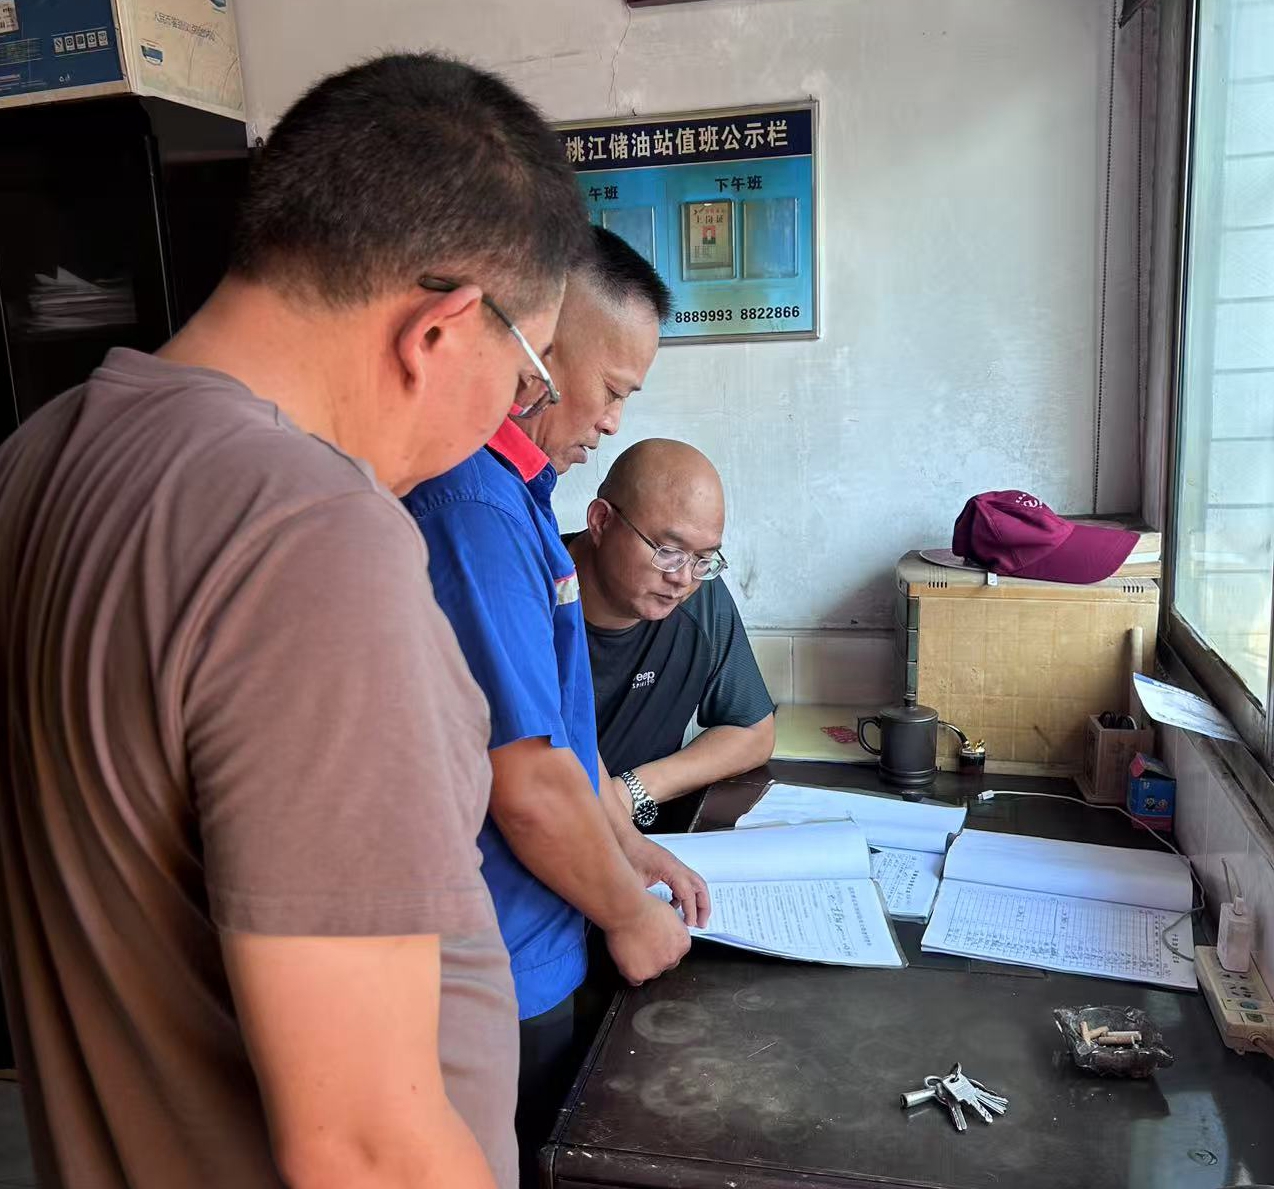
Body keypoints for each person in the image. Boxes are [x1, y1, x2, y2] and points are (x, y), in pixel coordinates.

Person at [0, 53, 588, 1189]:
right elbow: (364, 1148)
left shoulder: (37, 455)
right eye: (525, 379)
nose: (510, 420)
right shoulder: (315, 538)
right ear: (440, 329)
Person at [401, 226, 707, 1185]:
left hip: (544, 931)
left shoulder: (522, 496)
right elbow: (526, 782)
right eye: (611, 390)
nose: (611, 423)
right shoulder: (473, 509)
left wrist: (631, 846)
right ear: (539, 345)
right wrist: (629, 914)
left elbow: (567, 741)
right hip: (502, 953)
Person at [568, 439, 776, 834]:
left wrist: (629, 792)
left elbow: (754, 732)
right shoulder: (531, 594)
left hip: (641, 839)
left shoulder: (700, 597)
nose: (682, 578)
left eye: (704, 558)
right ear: (601, 521)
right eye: (667, 550)